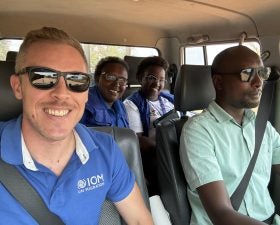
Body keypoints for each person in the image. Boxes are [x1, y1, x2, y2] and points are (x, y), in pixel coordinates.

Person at [0, 27, 153, 225]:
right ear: (18, 86)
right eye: (43, 77)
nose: (62, 94)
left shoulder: (106, 150)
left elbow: (140, 220)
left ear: (86, 92)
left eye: (76, 80)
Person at [180, 45, 280, 225]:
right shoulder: (198, 131)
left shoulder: (262, 127)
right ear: (219, 82)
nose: (259, 82)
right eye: (247, 73)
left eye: (262, 73)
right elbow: (221, 213)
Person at [123, 56, 174, 196]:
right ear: (140, 78)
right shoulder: (132, 104)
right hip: (154, 158)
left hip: (173, 151)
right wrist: (171, 150)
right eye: (151, 77)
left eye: (161, 79)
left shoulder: (170, 99)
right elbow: (138, 140)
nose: (157, 83)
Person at [80, 56, 129, 128]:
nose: (116, 84)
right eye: (110, 77)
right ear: (97, 78)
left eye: (122, 80)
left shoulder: (121, 106)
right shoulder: (83, 104)